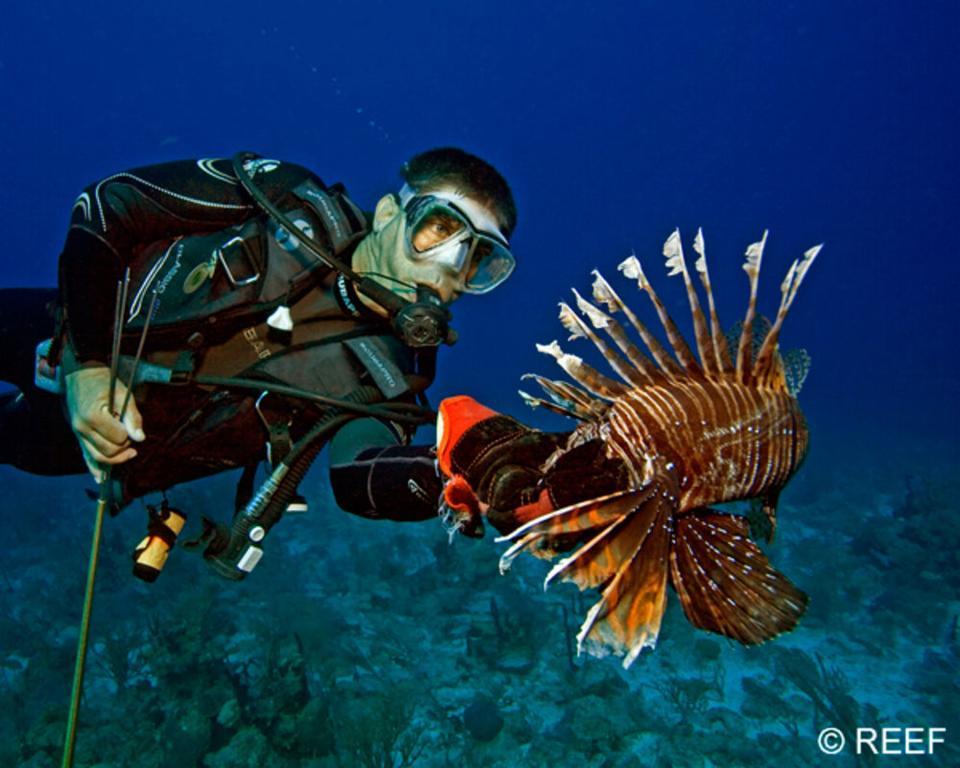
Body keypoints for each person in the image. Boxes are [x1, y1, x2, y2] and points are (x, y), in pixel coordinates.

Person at [0, 148, 521, 565]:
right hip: (52, 333)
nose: (450, 268)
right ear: (389, 213)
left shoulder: (394, 374)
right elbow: (108, 204)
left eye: (477, 258)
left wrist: (470, 473)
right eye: (440, 229)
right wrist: (89, 368)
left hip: (88, 452)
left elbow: (359, 476)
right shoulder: (281, 199)